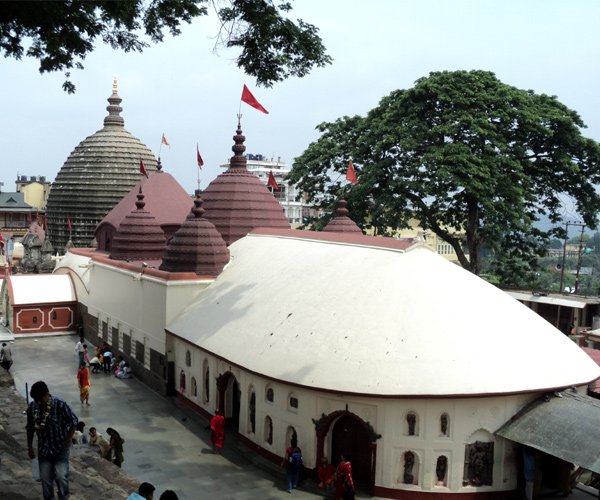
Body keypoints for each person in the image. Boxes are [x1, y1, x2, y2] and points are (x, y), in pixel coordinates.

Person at [26, 380, 78, 500]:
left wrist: (68, 440)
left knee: (61, 476)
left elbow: (74, 422)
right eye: (36, 400)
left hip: (60, 448)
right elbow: (30, 428)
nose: (38, 403)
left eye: (40, 399)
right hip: (44, 449)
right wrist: (29, 447)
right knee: (45, 480)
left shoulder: (60, 405)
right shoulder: (32, 407)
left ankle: (63, 497)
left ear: (47, 394)